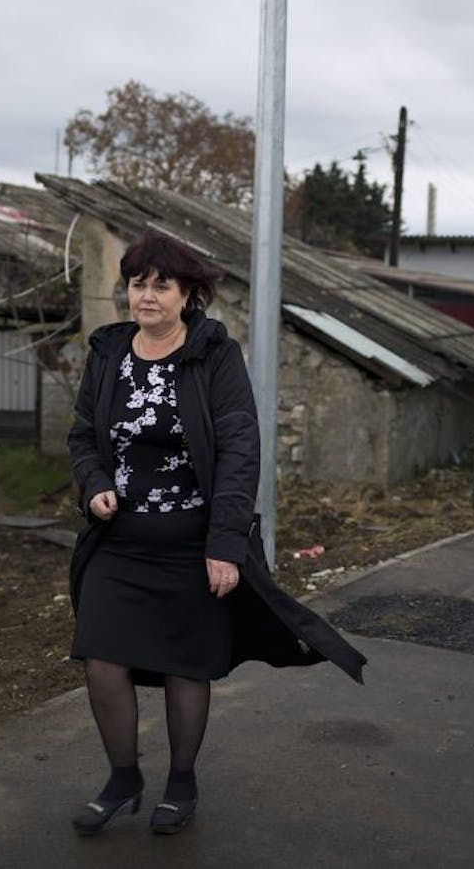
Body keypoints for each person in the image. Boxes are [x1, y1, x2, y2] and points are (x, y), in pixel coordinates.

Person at [67, 230, 367, 837]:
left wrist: (226, 545)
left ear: (187, 294)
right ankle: (123, 777)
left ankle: (182, 781)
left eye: (161, 285)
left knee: (185, 667)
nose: (146, 297)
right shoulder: (108, 354)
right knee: (102, 662)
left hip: (191, 542)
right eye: (136, 284)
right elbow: (80, 436)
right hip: (119, 542)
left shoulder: (212, 356)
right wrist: (94, 480)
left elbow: (239, 449)